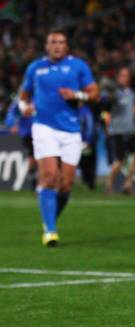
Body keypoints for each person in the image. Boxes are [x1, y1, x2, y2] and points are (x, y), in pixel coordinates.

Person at [19, 29, 99, 246]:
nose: (57, 45)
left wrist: (77, 95)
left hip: (71, 130)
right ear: (46, 46)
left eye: (61, 42)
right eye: (53, 42)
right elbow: (23, 96)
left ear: (67, 46)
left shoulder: (78, 66)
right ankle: (51, 230)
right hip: (44, 127)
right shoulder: (35, 68)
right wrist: (23, 107)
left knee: (66, 185)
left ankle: (49, 219)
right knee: (50, 177)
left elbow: (94, 93)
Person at [103, 67, 135, 195]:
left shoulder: (131, 93)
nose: (124, 78)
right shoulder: (114, 93)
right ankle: (109, 185)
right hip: (118, 131)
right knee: (120, 161)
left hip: (131, 129)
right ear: (118, 77)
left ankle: (128, 185)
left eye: (126, 75)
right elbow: (106, 105)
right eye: (122, 75)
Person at [5, 93, 36, 190]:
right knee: (32, 157)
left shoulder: (42, 95)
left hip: (43, 131)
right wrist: (12, 124)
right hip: (28, 132)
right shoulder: (22, 98)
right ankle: (33, 181)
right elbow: (11, 113)